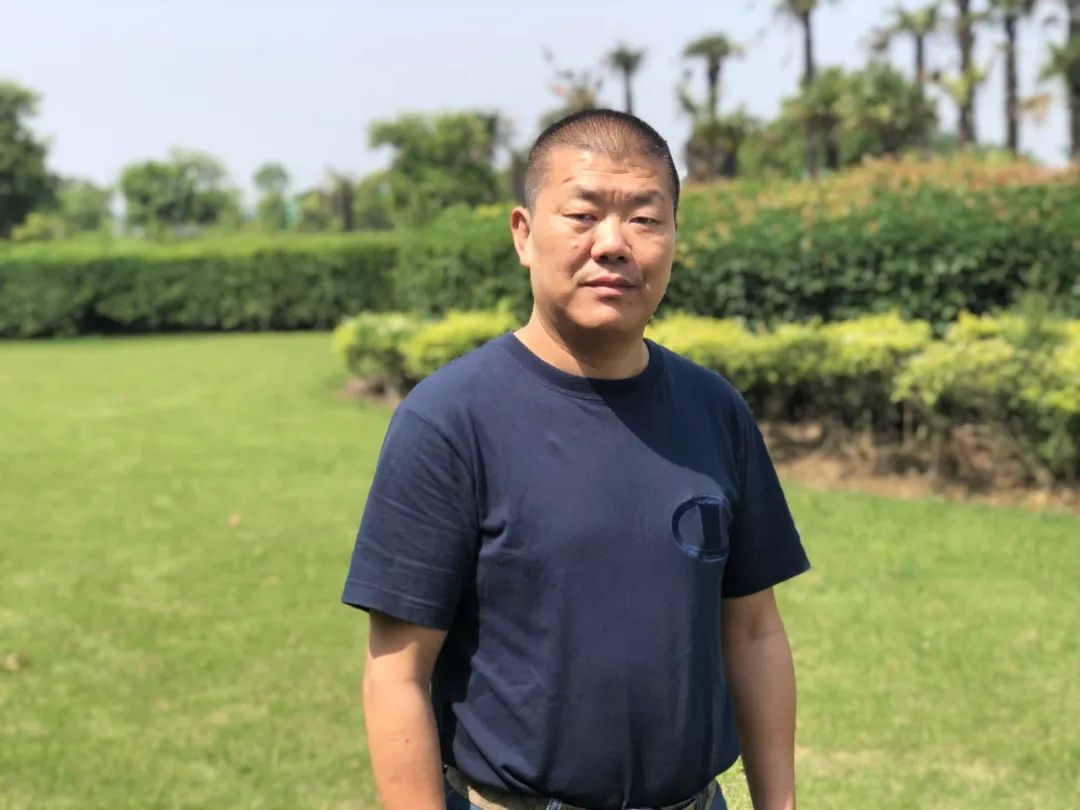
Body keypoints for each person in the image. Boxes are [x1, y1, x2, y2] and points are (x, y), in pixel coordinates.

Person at [341, 109, 810, 810]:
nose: (613, 244)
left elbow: (753, 633)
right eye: (583, 215)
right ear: (523, 234)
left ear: (674, 237)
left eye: (645, 219)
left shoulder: (714, 410)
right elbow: (396, 672)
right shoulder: (451, 420)